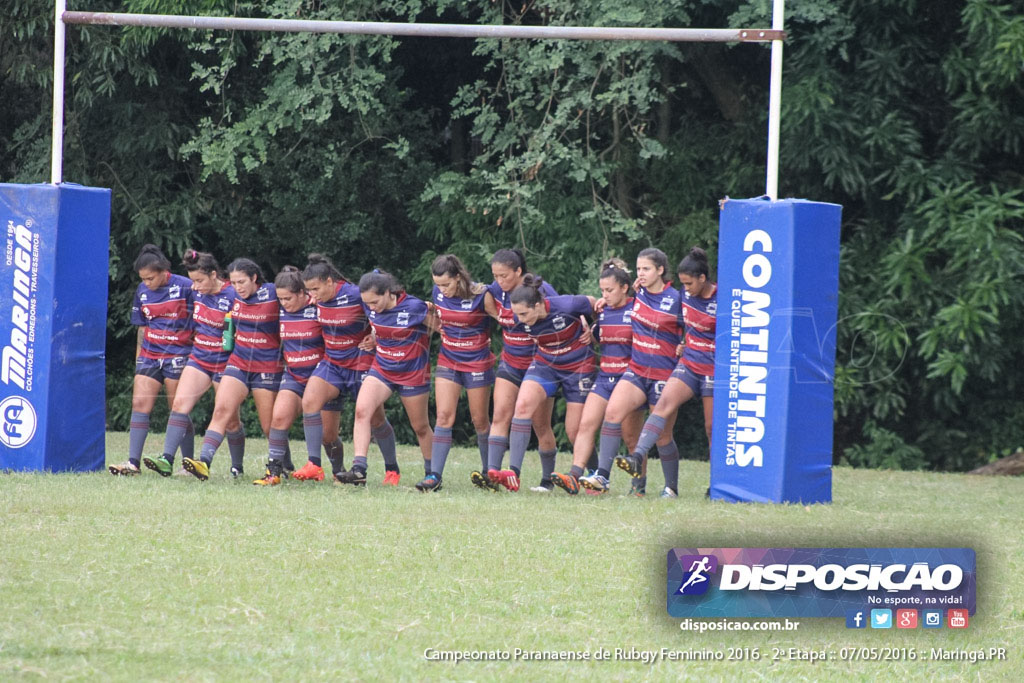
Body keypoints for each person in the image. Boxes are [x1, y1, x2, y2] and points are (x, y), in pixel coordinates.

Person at [579, 248, 684, 495]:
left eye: (646, 269)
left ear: (660, 270)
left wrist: (684, 343)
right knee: (613, 413)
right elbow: (619, 304)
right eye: (638, 269)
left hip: (664, 374)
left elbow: (692, 328)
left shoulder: (676, 298)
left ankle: (671, 488)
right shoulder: (639, 294)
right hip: (636, 370)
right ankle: (602, 477)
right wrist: (605, 303)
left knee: (663, 436)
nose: (641, 273)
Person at [616, 247, 717, 497]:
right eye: (682, 283)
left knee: (711, 427)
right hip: (690, 363)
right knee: (663, 406)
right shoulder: (684, 295)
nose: (686, 289)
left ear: (703, 279)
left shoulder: (722, 298)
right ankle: (638, 456)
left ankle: (717, 484)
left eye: (689, 283)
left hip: (715, 368)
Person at [486, 275, 598, 492]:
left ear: (538, 305)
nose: (520, 319)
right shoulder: (523, 318)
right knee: (522, 406)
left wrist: (594, 329)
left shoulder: (568, 304)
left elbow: (596, 305)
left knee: (574, 430)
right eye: (516, 314)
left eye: (524, 314)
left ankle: (595, 477)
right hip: (546, 363)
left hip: (578, 366)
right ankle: (513, 474)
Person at [141, 249, 245, 477]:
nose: (195, 287)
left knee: (230, 420)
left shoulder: (232, 296)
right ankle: (167, 459)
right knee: (179, 405)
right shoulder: (196, 293)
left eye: (199, 281)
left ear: (214, 275)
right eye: (193, 281)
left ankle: (237, 467)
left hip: (227, 363)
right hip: (199, 357)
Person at [297, 254, 397, 485]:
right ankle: (317, 465)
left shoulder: (354, 295)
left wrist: (374, 335)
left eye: (315, 288)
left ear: (329, 281)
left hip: (360, 362)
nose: (312, 294)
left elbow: (380, 313)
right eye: (308, 289)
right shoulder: (317, 300)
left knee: (375, 419)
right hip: (332, 363)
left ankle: (392, 468)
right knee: (311, 404)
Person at [550, 259, 643, 495]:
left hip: (629, 380)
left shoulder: (637, 309)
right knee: (586, 425)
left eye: (610, 290)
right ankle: (574, 476)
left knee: (631, 437)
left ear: (625, 287)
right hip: (604, 377)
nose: (605, 295)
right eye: (602, 290)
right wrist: (589, 334)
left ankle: (638, 487)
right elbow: (601, 338)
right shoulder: (602, 311)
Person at [182, 258, 282, 480]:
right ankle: (204, 462)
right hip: (238, 361)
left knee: (269, 426)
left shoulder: (272, 292)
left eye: (243, 282)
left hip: (266, 365)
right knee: (221, 411)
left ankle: (284, 464)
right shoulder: (232, 296)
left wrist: (311, 299)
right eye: (235, 283)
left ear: (254, 278)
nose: (239, 287)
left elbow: (296, 293)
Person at [334, 270, 433, 486]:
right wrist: (374, 339)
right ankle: (359, 469)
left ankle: (432, 473)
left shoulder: (415, 307)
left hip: (412, 373)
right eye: (366, 303)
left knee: (420, 427)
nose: (371, 307)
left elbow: (441, 328)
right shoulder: (372, 308)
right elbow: (379, 327)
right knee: (362, 411)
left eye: (375, 301)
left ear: (388, 293)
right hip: (383, 369)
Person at [475, 249, 559, 493]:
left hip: (540, 365)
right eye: (495, 276)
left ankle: (547, 480)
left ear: (519, 271)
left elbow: (563, 313)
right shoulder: (495, 290)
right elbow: (475, 292)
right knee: (501, 414)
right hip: (510, 362)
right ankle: (493, 473)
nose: (499, 281)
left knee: (540, 424)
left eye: (504, 276)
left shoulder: (542, 290)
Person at [253, 266, 346, 486]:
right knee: (278, 418)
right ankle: (274, 471)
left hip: (323, 377)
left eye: (288, 298)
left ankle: (338, 471)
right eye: (280, 299)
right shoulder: (280, 311)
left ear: (304, 293)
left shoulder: (319, 308)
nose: (284, 303)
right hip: (294, 375)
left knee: (328, 436)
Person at [416, 254, 499, 492]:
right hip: (449, 360)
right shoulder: (438, 294)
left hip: (478, 363)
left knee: (480, 420)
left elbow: (504, 318)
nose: (442, 289)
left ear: (459, 278)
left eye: (446, 284)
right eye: (438, 285)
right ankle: (434, 476)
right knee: (443, 416)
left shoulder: (481, 294)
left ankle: (489, 473)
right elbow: (437, 320)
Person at [109, 245, 194, 476]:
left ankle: (188, 464)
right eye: (143, 279)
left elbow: (200, 320)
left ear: (164, 271)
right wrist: (139, 360)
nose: (147, 282)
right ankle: (133, 463)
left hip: (178, 355)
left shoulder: (185, 286)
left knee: (177, 407)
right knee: (139, 405)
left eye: (151, 278)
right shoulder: (142, 291)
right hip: (149, 354)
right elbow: (142, 328)